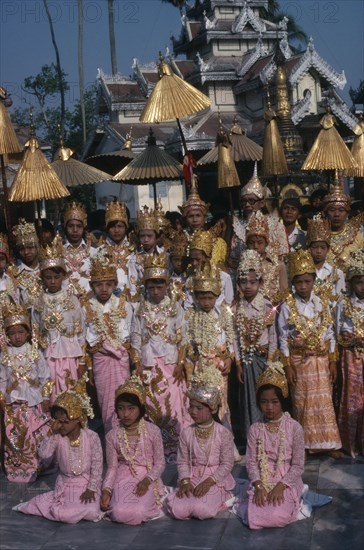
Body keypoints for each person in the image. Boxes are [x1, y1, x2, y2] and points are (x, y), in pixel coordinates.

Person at [278, 249, 342, 457]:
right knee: (302, 403)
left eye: (307, 281)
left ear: (314, 280)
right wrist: (287, 366)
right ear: (293, 283)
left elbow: (330, 332)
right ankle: (303, 446)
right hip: (299, 361)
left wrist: (333, 361)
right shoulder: (287, 305)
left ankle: (329, 443)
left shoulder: (323, 302)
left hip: (321, 361)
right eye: (299, 282)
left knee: (324, 403)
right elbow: (282, 337)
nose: (303, 286)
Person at [14, 379, 103, 523]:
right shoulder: (57, 438)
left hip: (87, 484)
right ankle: (61, 508)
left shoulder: (91, 436)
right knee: (62, 513)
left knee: (92, 511)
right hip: (65, 485)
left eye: (65, 422)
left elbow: (97, 466)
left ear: (77, 420)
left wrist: (92, 488)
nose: (60, 426)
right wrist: (50, 432)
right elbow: (44, 454)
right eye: (57, 421)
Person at [130, 252, 190, 461]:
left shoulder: (175, 308)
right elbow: (135, 337)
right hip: (149, 366)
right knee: (151, 404)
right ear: (146, 287)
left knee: (173, 404)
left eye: (159, 286)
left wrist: (181, 363)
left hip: (171, 363)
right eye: (151, 287)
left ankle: (175, 448)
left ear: (166, 286)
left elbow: (183, 337)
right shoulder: (139, 309)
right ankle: (155, 449)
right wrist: (137, 363)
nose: (156, 291)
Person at [236, 362, 305, 529]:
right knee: (255, 515)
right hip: (262, 479)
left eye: (274, 401)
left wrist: (281, 486)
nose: (269, 407)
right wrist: (258, 486)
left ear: (282, 401)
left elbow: (298, 465)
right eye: (264, 402)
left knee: (276, 516)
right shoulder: (255, 429)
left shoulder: (294, 427)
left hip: (286, 479)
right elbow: (251, 463)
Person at [165, 366, 235, 520]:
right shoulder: (187, 432)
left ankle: (222, 495)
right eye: (191, 407)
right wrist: (184, 480)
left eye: (199, 408)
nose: (193, 412)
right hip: (193, 475)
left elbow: (227, 464)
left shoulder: (223, 433)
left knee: (201, 510)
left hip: (216, 478)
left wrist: (209, 482)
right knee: (178, 509)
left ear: (212, 410)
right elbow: (182, 461)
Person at [101, 375, 166, 524]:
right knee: (118, 512)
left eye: (131, 409)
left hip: (147, 476)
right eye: (121, 408)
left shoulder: (152, 431)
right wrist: (106, 490)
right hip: (122, 477)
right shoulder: (112, 435)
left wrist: (147, 481)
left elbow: (160, 463)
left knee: (139, 512)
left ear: (141, 408)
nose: (126, 414)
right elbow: (112, 467)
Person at [0, 303, 52, 482]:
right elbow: (2, 379)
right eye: (12, 333)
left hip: (33, 400)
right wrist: (1, 396)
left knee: (35, 434)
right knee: (15, 436)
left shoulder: (35, 352)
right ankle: (19, 468)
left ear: (28, 333)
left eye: (20, 332)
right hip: (13, 402)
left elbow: (45, 376)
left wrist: (45, 397)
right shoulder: (4, 355)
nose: (17, 337)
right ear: (7, 335)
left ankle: (39, 465)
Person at [84, 250, 133, 433]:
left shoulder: (123, 305)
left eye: (108, 284)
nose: (103, 289)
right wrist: (89, 367)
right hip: (100, 361)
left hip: (120, 360)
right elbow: (85, 341)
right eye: (98, 285)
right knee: (105, 401)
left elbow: (129, 334)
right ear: (91, 285)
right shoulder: (87, 307)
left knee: (124, 399)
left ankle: (127, 438)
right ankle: (111, 438)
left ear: (114, 284)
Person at [32, 238, 86, 402]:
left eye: (56, 277)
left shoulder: (72, 300)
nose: (53, 281)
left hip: (70, 354)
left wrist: (83, 359)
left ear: (63, 275)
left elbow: (81, 329)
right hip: (48, 355)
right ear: (42, 278)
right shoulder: (39, 302)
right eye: (48, 277)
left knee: (71, 391)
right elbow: (35, 332)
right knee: (52, 390)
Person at [234, 250, 277, 440]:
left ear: (260, 282)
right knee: (248, 398)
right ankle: (253, 435)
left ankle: (270, 435)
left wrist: (269, 361)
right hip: (246, 361)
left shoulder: (267, 306)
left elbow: (274, 335)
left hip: (263, 359)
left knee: (265, 396)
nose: (248, 286)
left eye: (252, 282)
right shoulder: (236, 307)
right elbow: (235, 337)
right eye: (244, 282)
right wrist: (237, 363)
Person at [186, 263, 234, 426]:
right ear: (196, 297)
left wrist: (230, 359)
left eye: (210, 298)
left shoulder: (224, 313)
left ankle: (222, 439)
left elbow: (231, 339)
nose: (206, 302)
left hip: (219, 367)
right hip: (199, 367)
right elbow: (189, 343)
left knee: (220, 403)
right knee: (201, 403)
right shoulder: (192, 315)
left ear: (217, 296)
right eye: (202, 298)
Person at [336, 249, 364, 457]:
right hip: (351, 356)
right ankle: (351, 443)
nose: (362, 286)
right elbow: (338, 333)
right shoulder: (343, 304)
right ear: (351, 283)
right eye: (358, 282)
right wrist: (351, 339)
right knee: (351, 397)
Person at [178, 176, 227, 268]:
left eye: (198, 215)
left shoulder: (217, 242)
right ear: (185, 219)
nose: (195, 220)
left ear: (205, 218)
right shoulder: (180, 242)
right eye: (191, 216)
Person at [184, 229, 233, 311]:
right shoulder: (190, 280)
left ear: (208, 257)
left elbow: (229, 304)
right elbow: (188, 308)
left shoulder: (224, 278)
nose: (194, 263)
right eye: (192, 260)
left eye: (197, 259)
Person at [246, 211, 288, 304]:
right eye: (251, 243)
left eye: (260, 242)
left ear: (266, 244)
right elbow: (240, 293)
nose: (255, 246)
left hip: (273, 311)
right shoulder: (243, 266)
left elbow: (284, 292)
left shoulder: (278, 265)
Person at [99, 200, 138, 301]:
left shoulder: (135, 250)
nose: (116, 230)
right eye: (112, 226)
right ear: (107, 228)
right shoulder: (99, 252)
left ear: (126, 227)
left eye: (120, 226)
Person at [323, 181, 364, 272]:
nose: (336, 214)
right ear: (325, 213)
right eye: (332, 210)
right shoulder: (319, 236)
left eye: (341, 210)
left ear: (347, 213)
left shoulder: (357, 236)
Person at [307, 216, 345, 305]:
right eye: (315, 247)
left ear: (328, 249)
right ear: (309, 249)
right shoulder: (304, 272)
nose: (319, 251)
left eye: (323, 248)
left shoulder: (336, 273)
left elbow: (340, 299)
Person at [62, 201, 97, 295]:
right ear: (65, 227)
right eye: (71, 226)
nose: (75, 230)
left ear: (84, 227)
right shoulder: (59, 253)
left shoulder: (94, 252)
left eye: (79, 226)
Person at [8, 219, 42, 309]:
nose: (26, 252)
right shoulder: (14, 274)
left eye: (30, 247)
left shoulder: (45, 268)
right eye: (21, 249)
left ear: (37, 247)